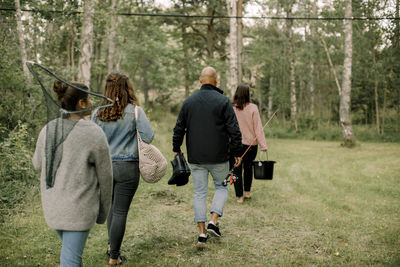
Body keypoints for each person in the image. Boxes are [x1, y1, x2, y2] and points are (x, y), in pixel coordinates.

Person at [32, 80, 113, 267]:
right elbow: (106, 179)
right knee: (70, 260)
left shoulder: (48, 129)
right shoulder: (94, 133)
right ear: (81, 103)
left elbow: (37, 164)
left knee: (70, 255)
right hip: (78, 212)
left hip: (53, 208)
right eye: (89, 99)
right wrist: (103, 213)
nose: (92, 103)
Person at [172, 66, 242, 248]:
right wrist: (237, 153)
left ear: (200, 80)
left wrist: (176, 148)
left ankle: (202, 234)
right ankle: (214, 220)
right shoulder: (223, 101)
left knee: (199, 193)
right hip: (220, 156)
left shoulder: (189, 102)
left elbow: (179, 127)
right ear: (216, 81)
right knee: (222, 186)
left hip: (196, 157)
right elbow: (234, 129)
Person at [92, 72, 154, 265]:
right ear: (127, 88)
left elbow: (92, 142)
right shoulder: (135, 111)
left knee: (111, 208)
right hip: (127, 166)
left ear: (108, 89)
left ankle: (112, 247)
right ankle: (114, 256)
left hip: (104, 167)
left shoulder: (97, 113)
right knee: (120, 211)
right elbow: (148, 136)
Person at [231, 84, 268, 203]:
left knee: (236, 170)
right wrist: (263, 145)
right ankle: (246, 193)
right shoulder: (253, 108)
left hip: (236, 145)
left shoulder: (232, 108)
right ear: (248, 94)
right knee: (248, 168)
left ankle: (239, 197)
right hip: (251, 145)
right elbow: (258, 128)